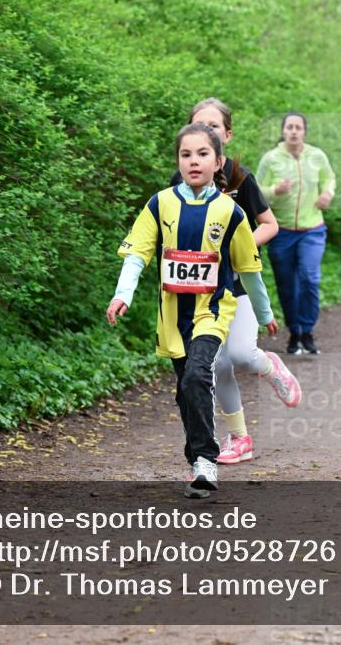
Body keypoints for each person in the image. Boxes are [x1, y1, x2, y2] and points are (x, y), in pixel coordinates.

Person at [106, 123, 279, 496]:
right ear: (178, 161)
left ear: (218, 162)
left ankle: (205, 461)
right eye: (186, 155)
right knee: (187, 389)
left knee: (199, 375)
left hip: (212, 312)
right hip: (173, 316)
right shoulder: (160, 203)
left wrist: (264, 315)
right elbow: (138, 253)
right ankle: (196, 460)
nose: (193, 161)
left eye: (202, 154)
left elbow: (250, 270)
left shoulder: (231, 212)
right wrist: (123, 295)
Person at [171, 98, 301, 466]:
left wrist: (234, 248)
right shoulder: (180, 180)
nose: (207, 132)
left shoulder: (241, 177)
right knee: (216, 365)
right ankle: (239, 437)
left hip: (236, 283)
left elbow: (270, 226)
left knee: (242, 354)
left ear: (226, 134)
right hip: (198, 289)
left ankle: (270, 366)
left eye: (214, 127)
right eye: (199, 125)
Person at [256, 112, 336, 355]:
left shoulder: (317, 156)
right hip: (281, 231)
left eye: (298, 127)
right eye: (289, 127)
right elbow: (256, 191)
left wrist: (327, 194)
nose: (293, 131)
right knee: (287, 284)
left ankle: (308, 331)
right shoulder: (271, 159)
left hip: (312, 229)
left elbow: (330, 178)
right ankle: (295, 332)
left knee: (310, 277)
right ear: (283, 131)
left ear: (304, 132)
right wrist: (274, 190)